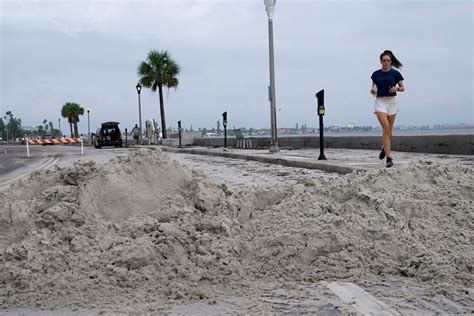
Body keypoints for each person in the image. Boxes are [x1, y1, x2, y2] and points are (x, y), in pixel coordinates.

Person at [370, 50, 405, 168]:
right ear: (381, 61)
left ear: (390, 62)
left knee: (389, 130)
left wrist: (396, 89)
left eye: (388, 61)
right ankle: (389, 158)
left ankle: (384, 148)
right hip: (380, 102)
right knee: (385, 128)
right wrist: (373, 91)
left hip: (392, 103)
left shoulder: (395, 74)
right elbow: (373, 89)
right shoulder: (376, 74)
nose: (386, 62)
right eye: (384, 60)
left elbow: (402, 88)